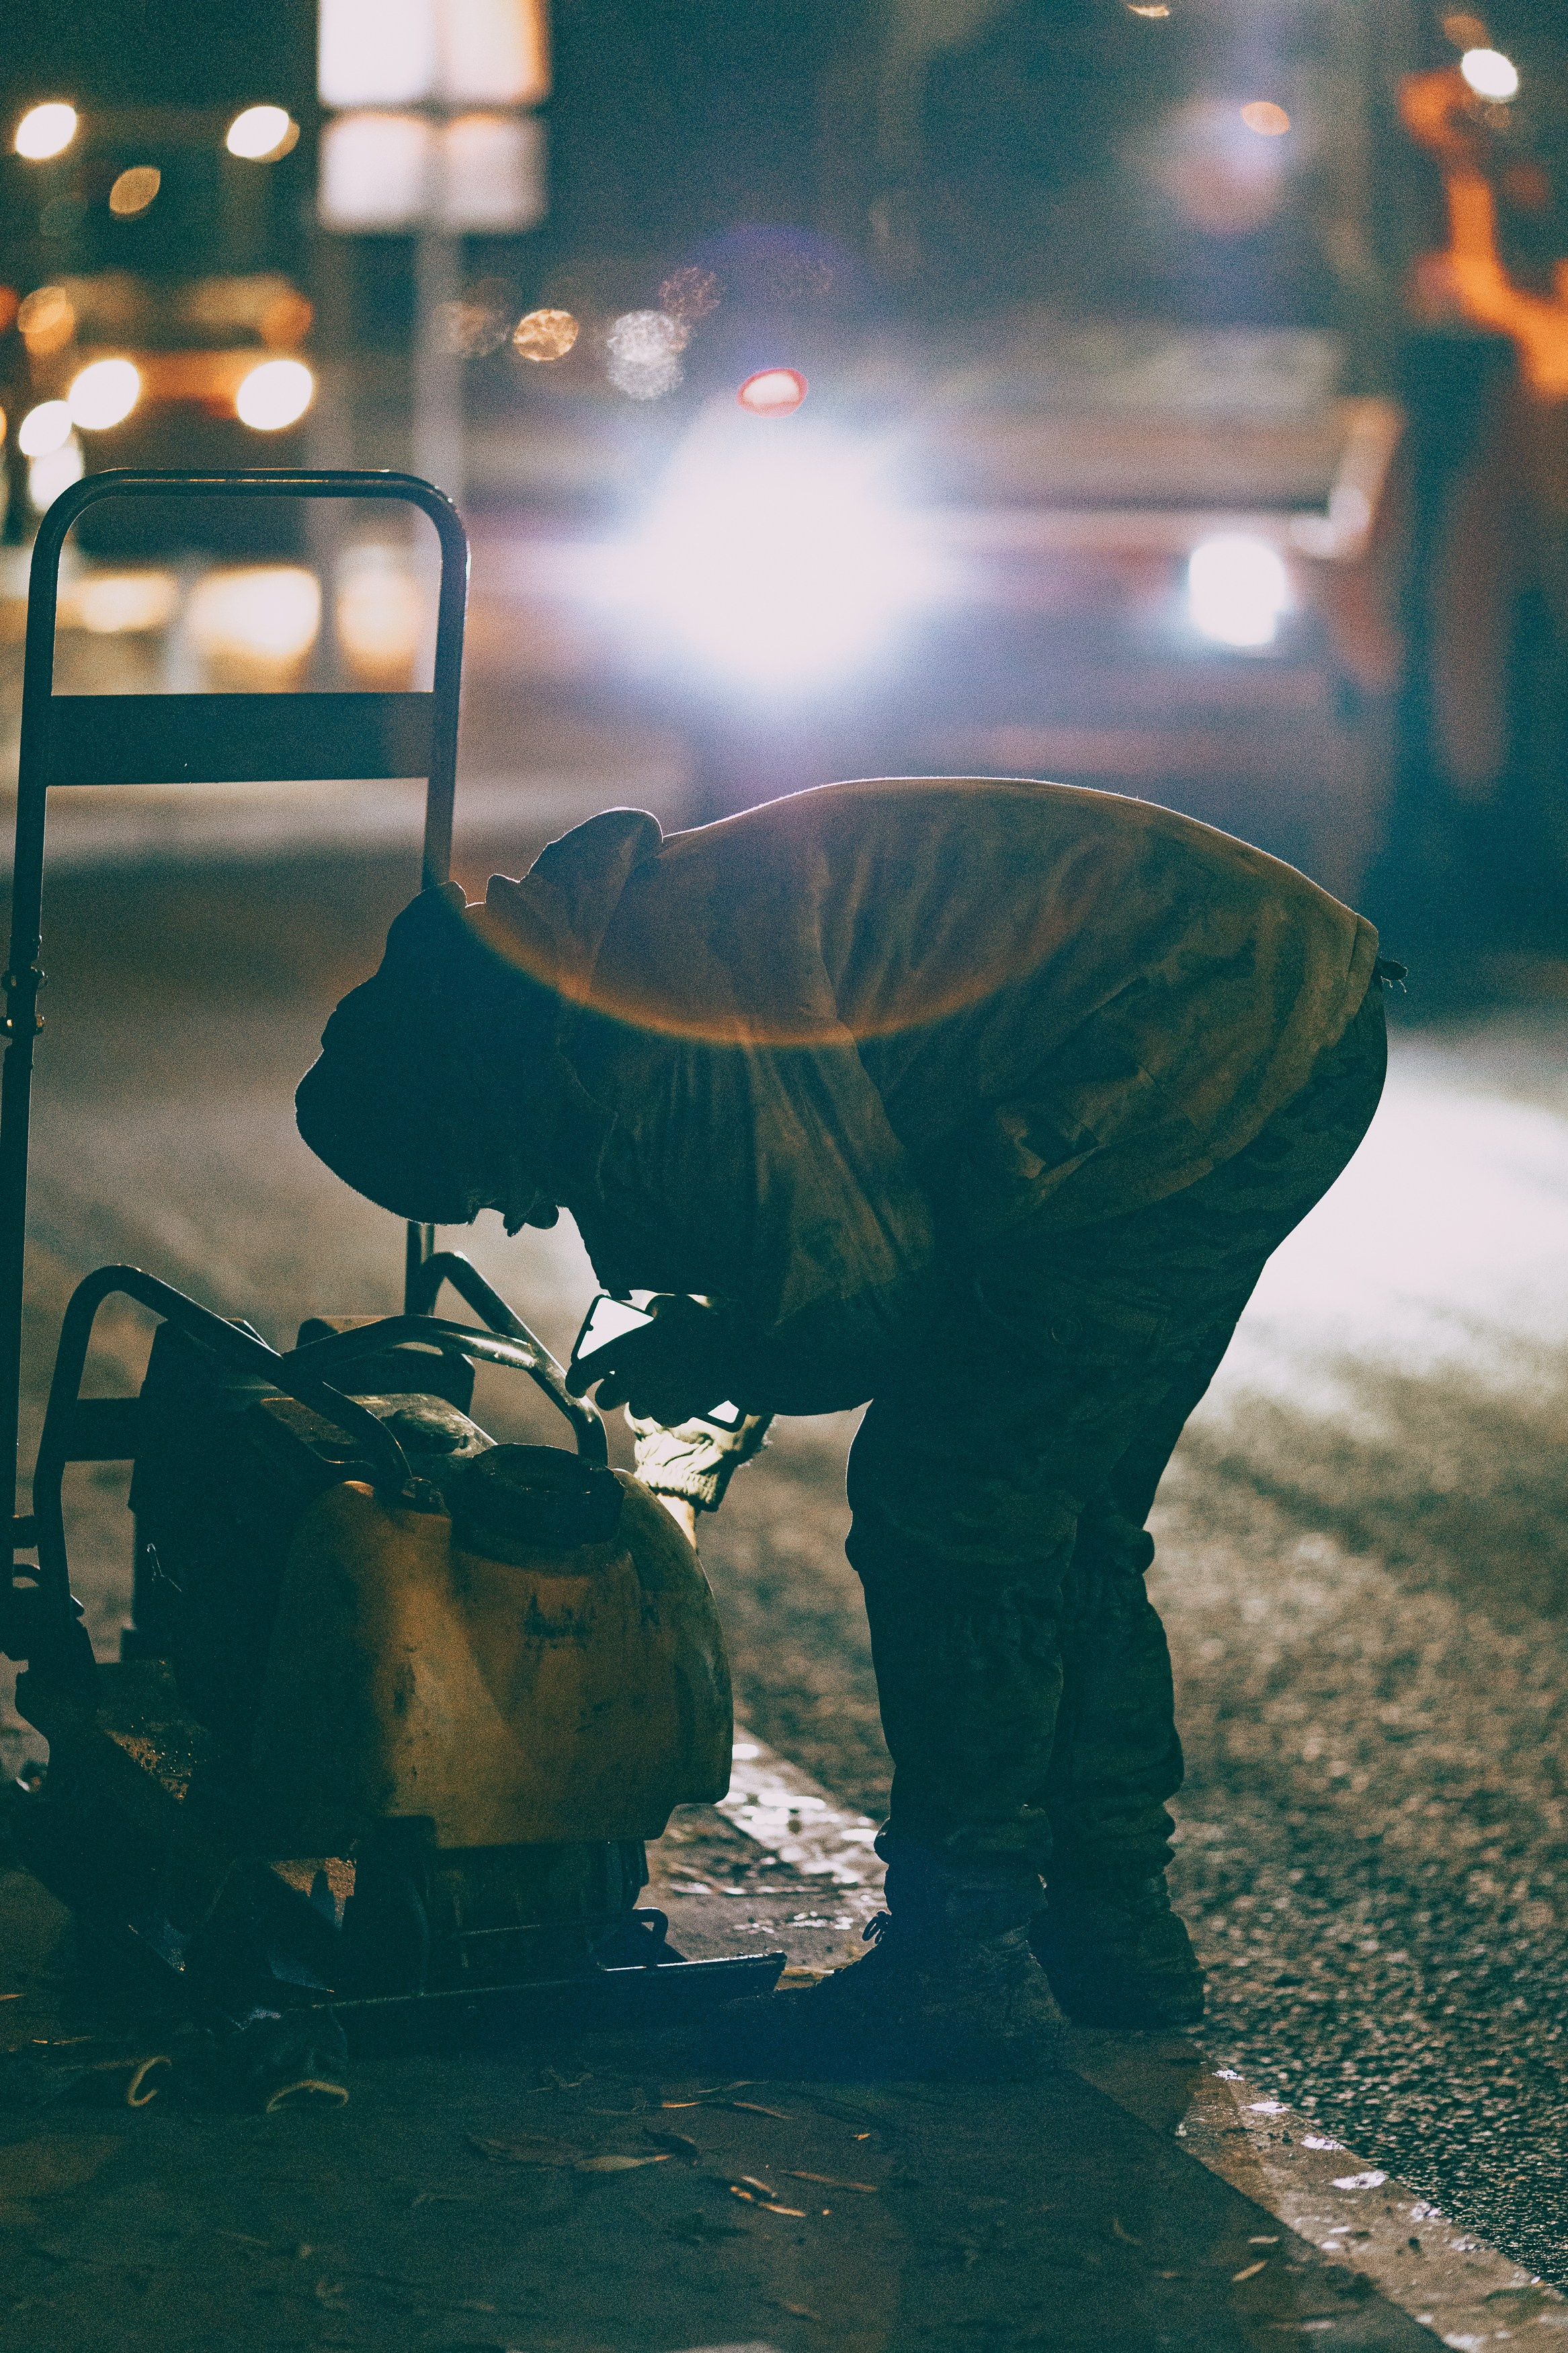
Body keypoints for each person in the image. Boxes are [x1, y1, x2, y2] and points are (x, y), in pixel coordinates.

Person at [296, 776, 1391, 2079]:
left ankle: (964, 1959)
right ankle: (1111, 1929)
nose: (517, 1217)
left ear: (478, 1094)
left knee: (954, 1501)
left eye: (485, 1183)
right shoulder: (603, 983)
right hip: (1270, 1004)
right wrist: (724, 1344)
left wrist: (719, 1352)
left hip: (1196, 1042)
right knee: (1064, 1501)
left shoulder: (671, 1035)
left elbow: (859, 1304)